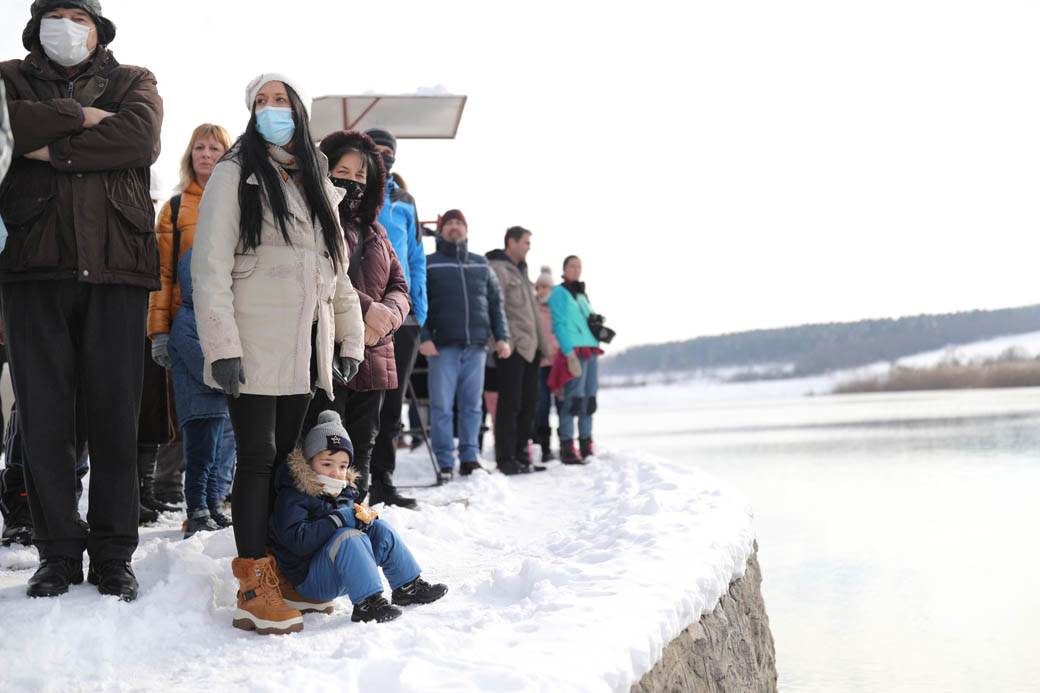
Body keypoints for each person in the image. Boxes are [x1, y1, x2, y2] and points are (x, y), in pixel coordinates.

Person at [0, 0, 163, 601]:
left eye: (78, 15)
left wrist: (45, 144)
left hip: (118, 270)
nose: (65, 26)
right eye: (54, 13)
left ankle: (115, 553)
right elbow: (2, 128)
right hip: (31, 270)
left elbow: (139, 139)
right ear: (35, 23)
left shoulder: (133, 81)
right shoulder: (6, 78)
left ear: (99, 29)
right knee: (44, 421)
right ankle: (58, 553)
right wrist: (80, 114)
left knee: (115, 418)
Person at [192, 74, 364, 633]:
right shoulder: (235, 173)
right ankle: (253, 584)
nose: (272, 109)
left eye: (280, 100)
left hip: (303, 346)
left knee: (289, 461)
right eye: (261, 102)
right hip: (251, 338)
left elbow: (335, 271)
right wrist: (221, 345)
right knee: (258, 458)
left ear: (298, 108)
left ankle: (284, 571)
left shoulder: (316, 177)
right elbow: (210, 265)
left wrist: (348, 338)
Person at [266, 411, 447, 633]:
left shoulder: (344, 492)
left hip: (344, 569)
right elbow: (297, 541)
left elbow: (348, 528)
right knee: (349, 538)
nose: (335, 473)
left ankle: (408, 586)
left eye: (342, 466)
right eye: (327, 464)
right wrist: (339, 519)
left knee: (379, 528)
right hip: (310, 578)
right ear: (308, 462)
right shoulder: (295, 494)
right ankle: (367, 604)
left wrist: (363, 522)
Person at [302, 130, 410, 504]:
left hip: (376, 350)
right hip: (328, 347)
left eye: (361, 176)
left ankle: (354, 516)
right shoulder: (316, 221)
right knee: (324, 442)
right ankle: (318, 522)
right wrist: (367, 309)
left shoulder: (377, 232)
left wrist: (387, 316)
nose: (351, 181)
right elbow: (324, 276)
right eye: (342, 170)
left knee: (363, 444)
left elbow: (400, 284)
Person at [147, 124, 233, 509]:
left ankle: (218, 493)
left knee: (229, 419)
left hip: (233, 322)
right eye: (199, 147)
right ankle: (171, 486)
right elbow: (162, 274)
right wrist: (159, 330)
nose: (206, 154)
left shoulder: (242, 201)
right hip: (188, 322)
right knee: (189, 412)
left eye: (215, 147)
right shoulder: (176, 207)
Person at [421, 210, 510, 479]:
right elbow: (418, 302)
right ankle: (445, 461)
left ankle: (470, 458)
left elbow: (496, 304)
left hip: (477, 346)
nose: (455, 227)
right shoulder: (429, 263)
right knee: (442, 406)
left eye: (459, 223)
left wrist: (502, 337)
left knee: (473, 406)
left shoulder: (482, 264)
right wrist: (424, 338)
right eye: (449, 223)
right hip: (442, 346)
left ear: (467, 230)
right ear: (441, 230)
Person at [366, 128, 425, 507]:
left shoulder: (405, 200)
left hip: (402, 315)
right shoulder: (353, 190)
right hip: (362, 308)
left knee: (392, 400)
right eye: (377, 151)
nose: (384, 157)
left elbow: (417, 258)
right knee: (362, 399)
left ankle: (383, 480)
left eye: (389, 152)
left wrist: (420, 308)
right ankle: (352, 476)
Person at [169, 250, 230, 537]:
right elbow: (200, 364)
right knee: (200, 460)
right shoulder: (185, 321)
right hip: (197, 405)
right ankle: (196, 510)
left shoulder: (212, 317)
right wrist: (226, 379)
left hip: (217, 403)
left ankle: (213, 505)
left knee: (215, 458)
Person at [486, 227, 554, 474]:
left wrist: (545, 348)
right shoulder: (498, 269)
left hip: (532, 350)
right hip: (511, 349)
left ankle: (522, 456)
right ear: (511, 242)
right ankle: (506, 458)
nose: (528, 246)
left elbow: (534, 314)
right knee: (510, 404)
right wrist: (504, 341)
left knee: (529, 404)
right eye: (525, 242)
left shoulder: (523, 271)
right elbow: (497, 307)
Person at [548, 256, 603, 464]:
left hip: (590, 348)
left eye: (579, 266)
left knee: (589, 399)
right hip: (574, 351)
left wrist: (598, 324)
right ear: (563, 269)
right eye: (572, 266)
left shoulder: (581, 294)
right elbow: (559, 325)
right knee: (573, 399)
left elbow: (588, 320)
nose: (576, 270)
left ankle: (586, 443)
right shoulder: (559, 294)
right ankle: (567, 446)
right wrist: (568, 353)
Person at [534, 266, 561, 462]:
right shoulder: (533, 307)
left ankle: (565, 443)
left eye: (546, 286)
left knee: (562, 404)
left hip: (558, 363)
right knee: (542, 406)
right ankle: (544, 447)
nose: (543, 290)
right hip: (540, 364)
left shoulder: (558, 308)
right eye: (540, 286)